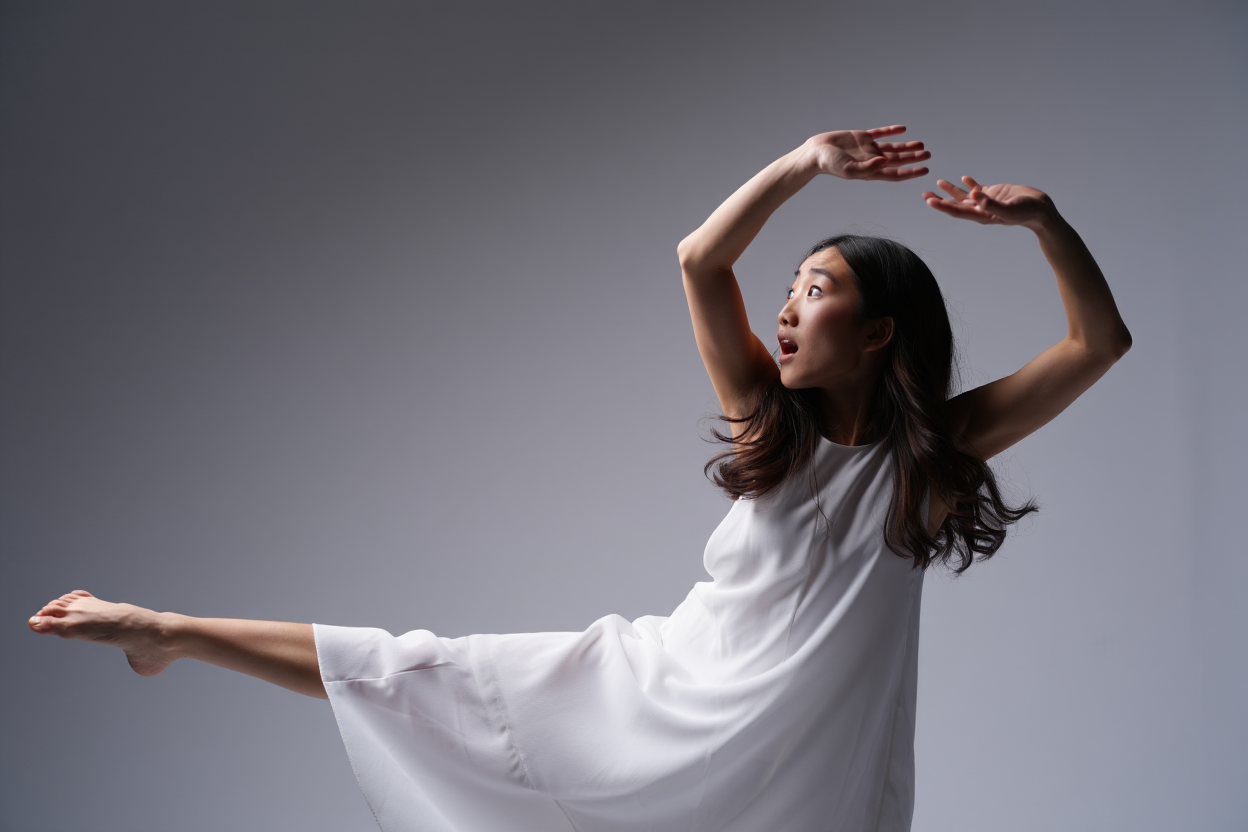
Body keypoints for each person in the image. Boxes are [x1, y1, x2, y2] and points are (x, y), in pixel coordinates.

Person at [28, 125, 1131, 832]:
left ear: (881, 329)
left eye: (818, 287)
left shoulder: (933, 456)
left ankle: (168, 632)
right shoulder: (770, 421)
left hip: (806, 776)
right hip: (656, 701)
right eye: (791, 286)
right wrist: (805, 162)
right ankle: (163, 628)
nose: (789, 307)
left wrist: (1044, 222)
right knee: (417, 676)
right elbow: (702, 259)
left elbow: (1098, 345)